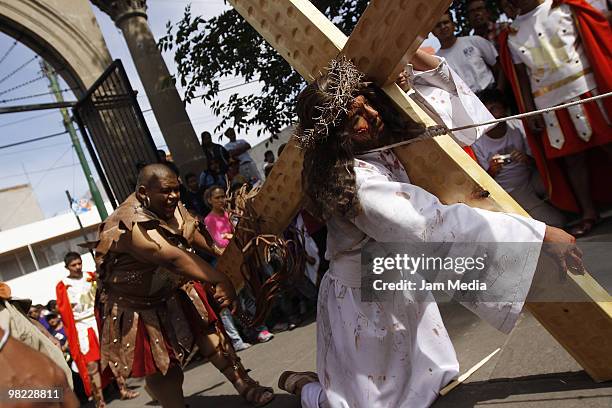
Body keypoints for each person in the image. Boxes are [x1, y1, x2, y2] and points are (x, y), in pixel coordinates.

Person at [275, 57, 583, 408]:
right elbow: (430, 225)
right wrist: (538, 234)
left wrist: (424, 67)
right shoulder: (356, 182)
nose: (371, 116)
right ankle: (305, 388)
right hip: (363, 302)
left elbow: (454, 118)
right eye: (353, 119)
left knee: (428, 384)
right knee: (367, 404)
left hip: (397, 286)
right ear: (335, 138)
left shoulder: (378, 140)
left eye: (365, 104)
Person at [93, 163, 273, 408]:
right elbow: (173, 257)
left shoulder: (171, 205)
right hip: (135, 303)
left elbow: (188, 230)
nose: (174, 196)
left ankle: (245, 383)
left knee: (211, 335)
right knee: (163, 366)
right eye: (167, 191)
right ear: (144, 192)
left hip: (173, 284)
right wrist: (220, 279)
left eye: (176, 190)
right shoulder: (130, 224)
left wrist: (220, 250)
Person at [499, 0, 612, 236]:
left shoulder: (564, 7)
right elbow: (521, 78)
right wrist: (530, 111)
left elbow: (595, 43)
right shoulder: (512, 33)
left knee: (609, 145)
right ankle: (588, 212)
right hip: (548, 103)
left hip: (586, 89)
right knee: (573, 160)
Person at [472, 89, 566, 226]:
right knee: (557, 222)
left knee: (554, 178)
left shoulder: (517, 125)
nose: (490, 115)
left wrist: (526, 159)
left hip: (530, 177)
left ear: (504, 108)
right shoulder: (477, 141)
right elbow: (480, 183)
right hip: (509, 190)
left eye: (494, 108)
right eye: (485, 111)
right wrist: (492, 170)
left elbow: (538, 163)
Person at [57, 252, 139, 407]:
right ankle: (99, 400)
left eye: (79, 263)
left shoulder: (91, 276)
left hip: (99, 322)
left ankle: (123, 390)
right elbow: (64, 312)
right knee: (92, 365)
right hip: (81, 327)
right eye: (74, 265)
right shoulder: (63, 284)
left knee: (112, 358)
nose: (78, 267)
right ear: (67, 267)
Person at [203, 186, 275, 345]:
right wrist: (232, 237)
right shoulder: (209, 220)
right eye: (218, 198)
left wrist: (232, 235)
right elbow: (219, 243)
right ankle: (249, 333)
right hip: (226, 265)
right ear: (210, 201)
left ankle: (260, 329)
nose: (222, 200)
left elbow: (240, 233)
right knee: (238, 302)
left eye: (223, 197)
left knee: (249, 296)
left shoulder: (229, 214)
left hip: (241, 260)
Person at [432, 12, 501, 93]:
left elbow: (498, 67)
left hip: (491, 93)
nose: (443, 27)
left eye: (446, 22)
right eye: (438, 25)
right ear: (433, 32)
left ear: (454, 25)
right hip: (467, 102)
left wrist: (500, 90)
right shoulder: (437, 61)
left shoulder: (475, 41)